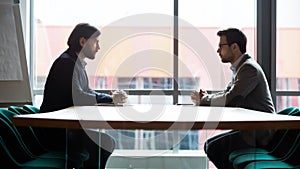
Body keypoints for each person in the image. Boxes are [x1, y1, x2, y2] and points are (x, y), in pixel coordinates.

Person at [191, 28, 276, 169]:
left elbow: (231, 98)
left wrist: (204, 100)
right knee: (211, 146)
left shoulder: (249, 69)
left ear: (234, 47)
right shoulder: (241, 68)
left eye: (221, 46)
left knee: (213, 147)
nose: (218, 51)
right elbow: (228, 93)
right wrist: (206, 98)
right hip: (250, 129)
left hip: (259, 132)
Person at [39, 23, 115, 169]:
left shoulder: (75, 62)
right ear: (82, 42)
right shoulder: (67, 64)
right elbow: (79, 97)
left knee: (105, 143)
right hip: (57, 131)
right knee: (104, 144)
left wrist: (110, 97)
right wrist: (110, 99)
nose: (98, 47)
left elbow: (87, 91)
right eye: (96, 42)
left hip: (66, 128)